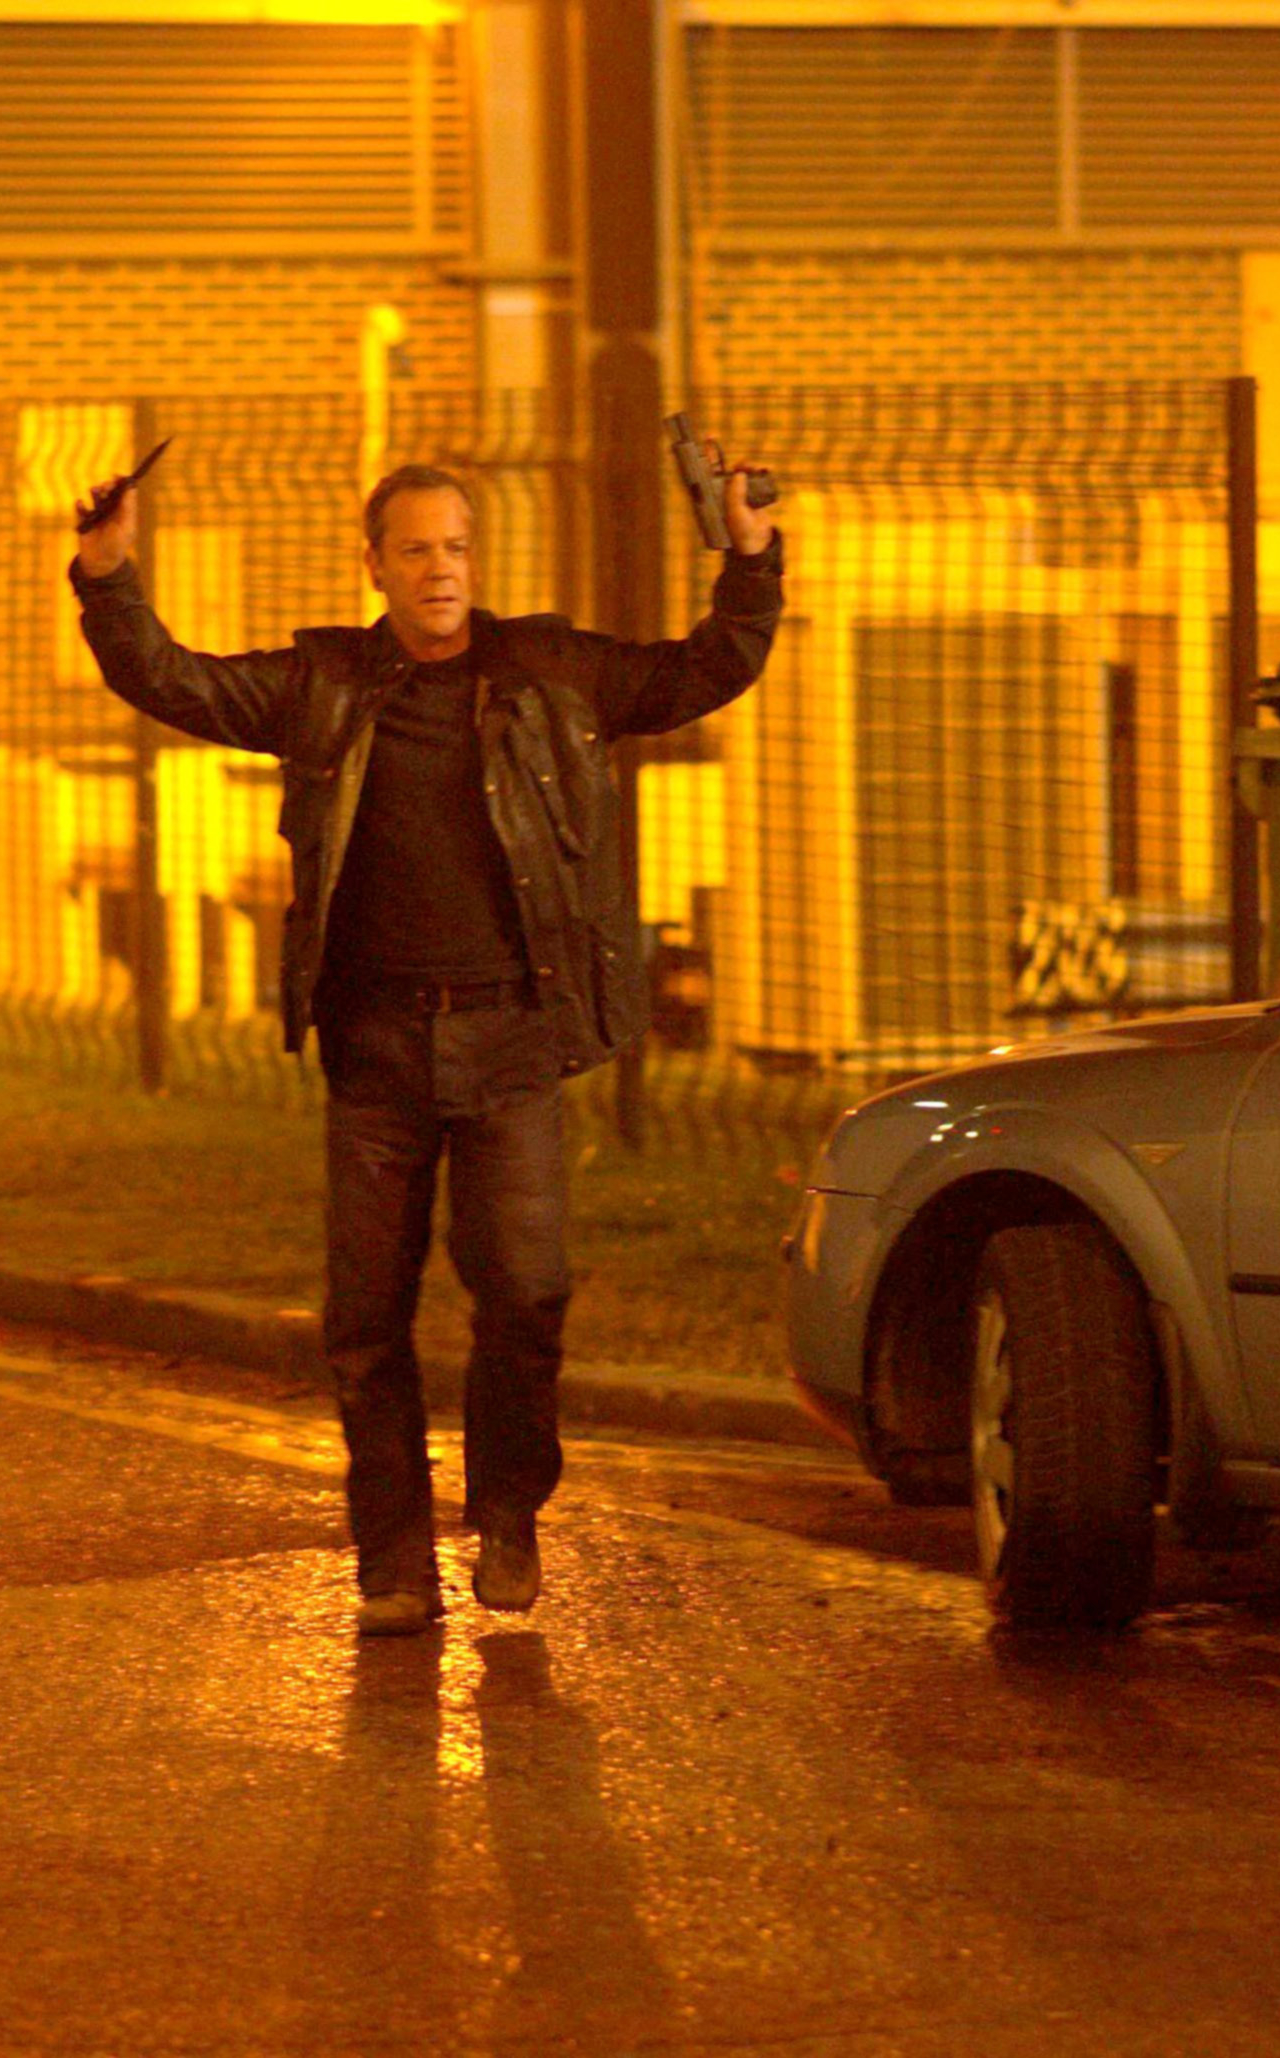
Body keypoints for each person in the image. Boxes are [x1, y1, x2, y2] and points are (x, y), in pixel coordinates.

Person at [69, 452, 781, 1635]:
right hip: (377, 1048)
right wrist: (108, 574)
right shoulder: (330, 681)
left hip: (511, 1041)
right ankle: (392, 1555)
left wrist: (748, 556)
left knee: (527, 1292)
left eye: (454, 547)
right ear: (377, 566)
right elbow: (176, 682)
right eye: (414, 550)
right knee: (366, 1318)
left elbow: (710, 667)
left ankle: (506, 1514)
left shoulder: (550, 670)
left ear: (474, 559)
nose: (438, 569)